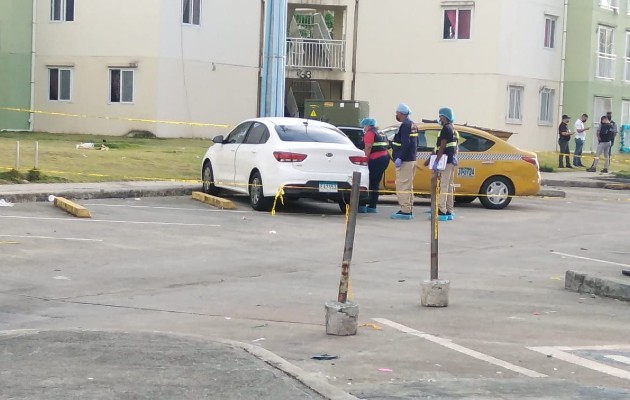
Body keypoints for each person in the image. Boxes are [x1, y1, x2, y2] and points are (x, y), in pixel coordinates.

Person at [423, 107, 458, 221]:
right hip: (451, 160)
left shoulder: (445, 129)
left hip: (445, 161)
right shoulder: (453, 129)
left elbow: (442, 146)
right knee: (449, 186)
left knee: (443, 185)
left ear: (445, 117)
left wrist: (436, 161)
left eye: (440, 117)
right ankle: (448, 209)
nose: (439, 119)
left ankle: (441, 210)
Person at [390, 103, 418, 220]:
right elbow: (415, 143)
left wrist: (400, 157)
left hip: (405, 160)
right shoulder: (413, 124)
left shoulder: (405, 125)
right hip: (411, 159)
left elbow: (405, 143)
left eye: (397, 113)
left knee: (402, 185)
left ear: (401, 113)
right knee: (408, 185)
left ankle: (405, 211)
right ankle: (408, 208)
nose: (396, 115)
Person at [357, 118, 390, 213]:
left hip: (375, 159)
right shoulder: (380, 133)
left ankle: (362, 205)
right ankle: (372, 206)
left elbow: (368, 147)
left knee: (367, 181)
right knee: (375, 182)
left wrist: (365, 160)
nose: (364, 128)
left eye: (364, 126)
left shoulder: (370, 133)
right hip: (384, 158)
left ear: (368, 125)